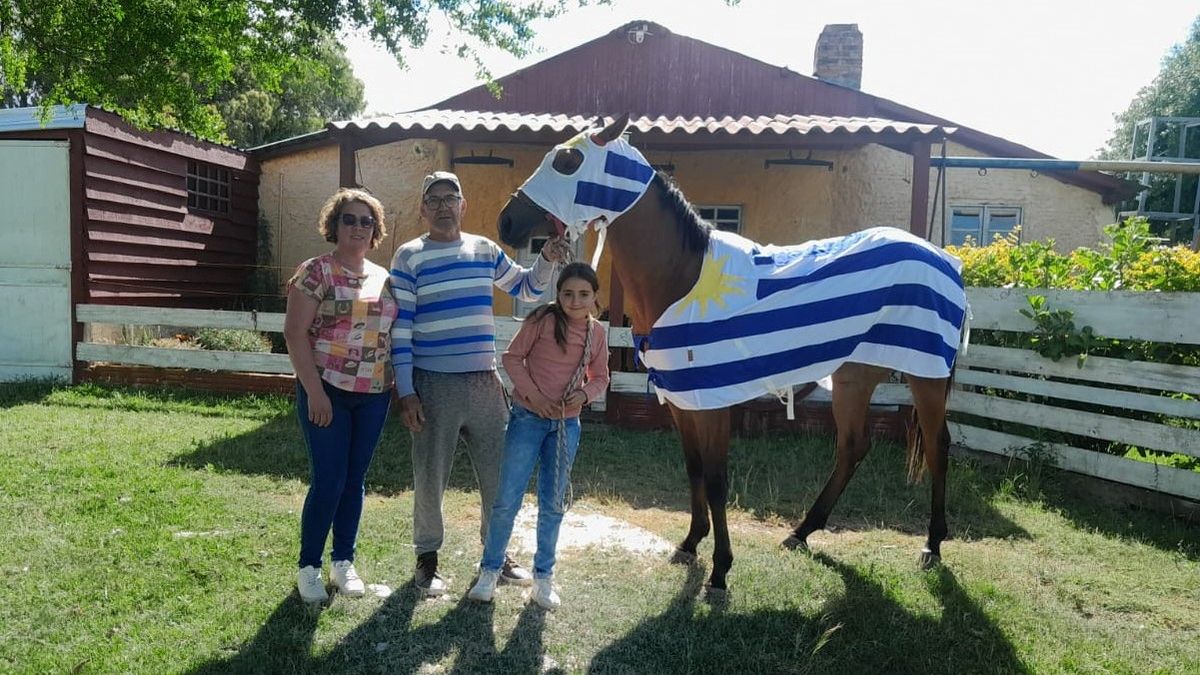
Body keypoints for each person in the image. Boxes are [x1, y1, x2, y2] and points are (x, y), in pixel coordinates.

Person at [389, 171, 570, 597]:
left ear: (463, 204)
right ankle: (427, 560)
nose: (443, 205)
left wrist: (545, 258)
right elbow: (401, 329)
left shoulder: (485, 249)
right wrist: (406, 390)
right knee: (430, 476)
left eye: (450, 197)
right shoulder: (408, 256)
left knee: (500, 475)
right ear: (422, 209)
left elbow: (527, 289)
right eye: (433, 199)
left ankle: (496, 555)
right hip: (432, 384)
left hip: (485, 383)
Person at [468, 263, 610, 610]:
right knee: (507, 498)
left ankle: (543, 577)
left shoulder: (597, 334)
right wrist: (535, 398)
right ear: (557, 294)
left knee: (552, 503)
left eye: (583, 295)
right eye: (567, 294)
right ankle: (490, 569)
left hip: (565, 426)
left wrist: (585, 395)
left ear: (594, 299)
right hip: (528, 419)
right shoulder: (542, 321)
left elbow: (600, 376)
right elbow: (512, 357)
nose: (574, 301)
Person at [283, 188, 398, 604]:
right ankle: (309, 567)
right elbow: (294, 334)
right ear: (335, 224)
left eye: (366, 221)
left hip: (374, 394)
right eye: (349, 219)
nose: (357, 227)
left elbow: (390, 334)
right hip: (326, 389)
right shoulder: (315, 271)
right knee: (328, 480)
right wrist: (314, 393)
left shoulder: (385, 277)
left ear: (375, 229)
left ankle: (343, 562)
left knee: (354, 481)